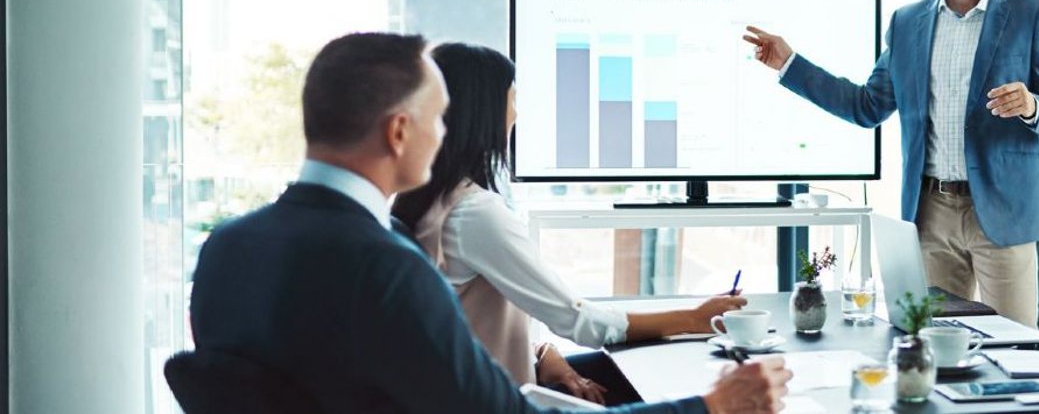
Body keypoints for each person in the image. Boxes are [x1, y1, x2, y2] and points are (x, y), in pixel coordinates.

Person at [189, 32, 790, 413]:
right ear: (400, 132)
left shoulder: (226, 247)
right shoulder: (388, 266)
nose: (445, 133)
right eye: (437, 118)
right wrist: (709, 408)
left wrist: (542, 357)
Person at [741, 0, 1039, 325]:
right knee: (932, 344)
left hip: (1004, 213)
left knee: (1014, 346)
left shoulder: (1033, 15)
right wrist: (790, 63)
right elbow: (867, 106)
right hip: (930, 213)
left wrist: (1032, 106)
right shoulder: (907, 22)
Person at [389, 43, 747, 406]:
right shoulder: (475, 214)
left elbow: (466, 323)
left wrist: (543, 353)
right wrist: (693, 318)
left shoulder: (427, 201)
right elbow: (578, 321)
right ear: (486, 112)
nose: (516, 114)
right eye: (512, 100)